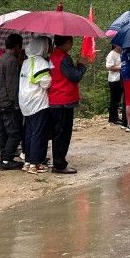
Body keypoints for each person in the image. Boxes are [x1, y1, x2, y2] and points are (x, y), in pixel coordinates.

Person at [45, 35, 87, 173]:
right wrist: (81, 65)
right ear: (67, 42)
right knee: (63, 134)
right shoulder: (63, 58)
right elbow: (75, 76)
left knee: (58, 133)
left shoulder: (53, 56)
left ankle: (58, 162)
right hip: (63, 100)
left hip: (55, 98)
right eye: (71, 42)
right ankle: (59, 164)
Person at [19, 37, 53, 174]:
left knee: (29, 132)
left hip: (25, 102)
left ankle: (27, 161)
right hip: (38, 102)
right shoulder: (41, 62)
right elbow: (46, 83)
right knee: (39, 133)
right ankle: (35, 163)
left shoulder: (26, 62)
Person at [0, 33, 25, 170]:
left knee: (3, 133)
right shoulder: (11, 61)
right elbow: (12, 85)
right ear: (17, 46)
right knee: (15, 133)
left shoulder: (0, 59)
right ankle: (7, 160)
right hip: (8, 103)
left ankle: (3, 158)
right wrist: (16, 103)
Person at [105, 43, 125, 127]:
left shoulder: (121, 53)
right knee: (114, 99)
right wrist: (121, 67)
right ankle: (112, 118)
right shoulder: (112, 54)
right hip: (114, 79)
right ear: (115, 45)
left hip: (121, 78)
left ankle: (116, 117)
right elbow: (109, 67)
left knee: (118, 99)